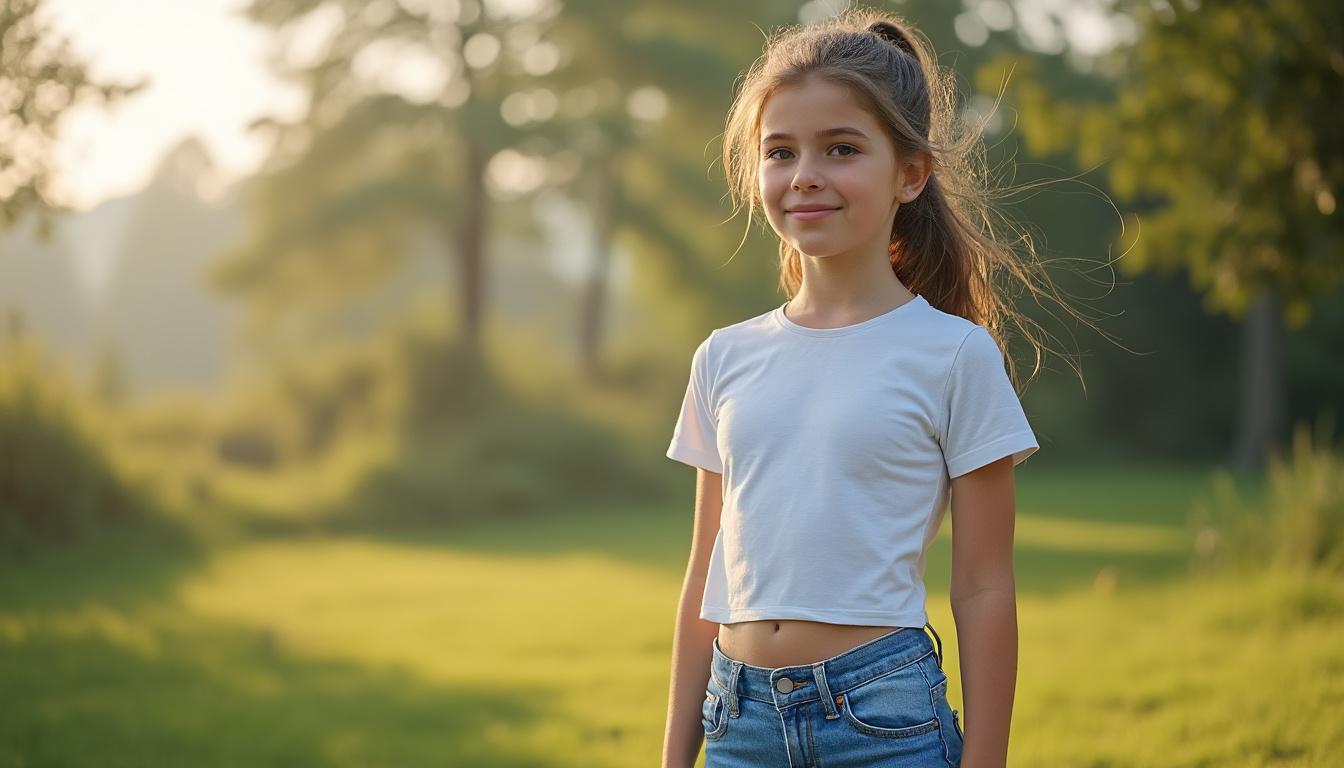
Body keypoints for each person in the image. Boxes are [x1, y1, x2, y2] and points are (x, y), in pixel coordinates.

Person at [660, 7, 1069, 768]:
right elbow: (703, 579)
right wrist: (674, 758)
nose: (805, 173)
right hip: (737, 721)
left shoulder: (954, 356)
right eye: (780, 151)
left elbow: (984, 587)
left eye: (841, 148)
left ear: (911, 173)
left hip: (884, 722)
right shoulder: (724, 357)